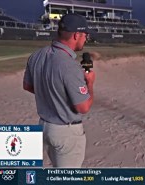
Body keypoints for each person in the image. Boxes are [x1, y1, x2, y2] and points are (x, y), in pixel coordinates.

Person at [23, 13, 95, 167]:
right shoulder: (70, 66)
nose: (86, 39)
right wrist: (90, 83)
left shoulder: (37, 55)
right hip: (66, 133)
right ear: (76, 35)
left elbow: (28, 86)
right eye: (85, 35)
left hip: (44, 126)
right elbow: (83, 107)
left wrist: (53, 94)